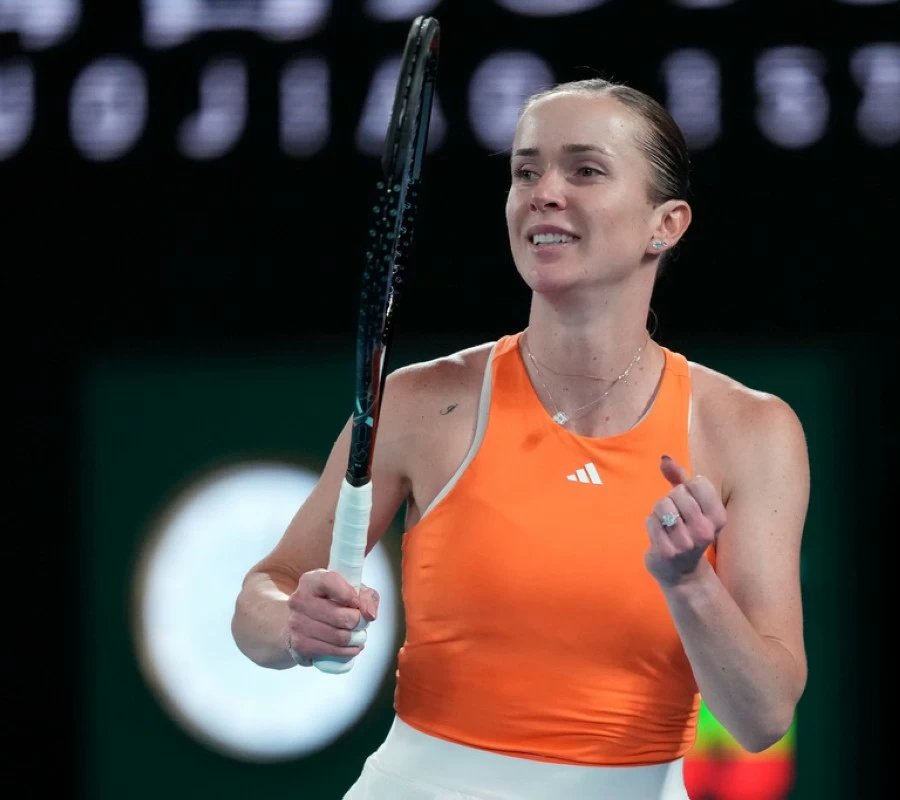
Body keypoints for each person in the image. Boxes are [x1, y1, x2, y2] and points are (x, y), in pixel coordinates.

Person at [231, 78, 810, 800]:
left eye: (585, 169)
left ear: (666, 224)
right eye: (526, 171)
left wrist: (691, 585)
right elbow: (262, 597)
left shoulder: (751, 431)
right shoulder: (419, 403)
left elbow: (762, 719)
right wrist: (293, 623)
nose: (543, 191)